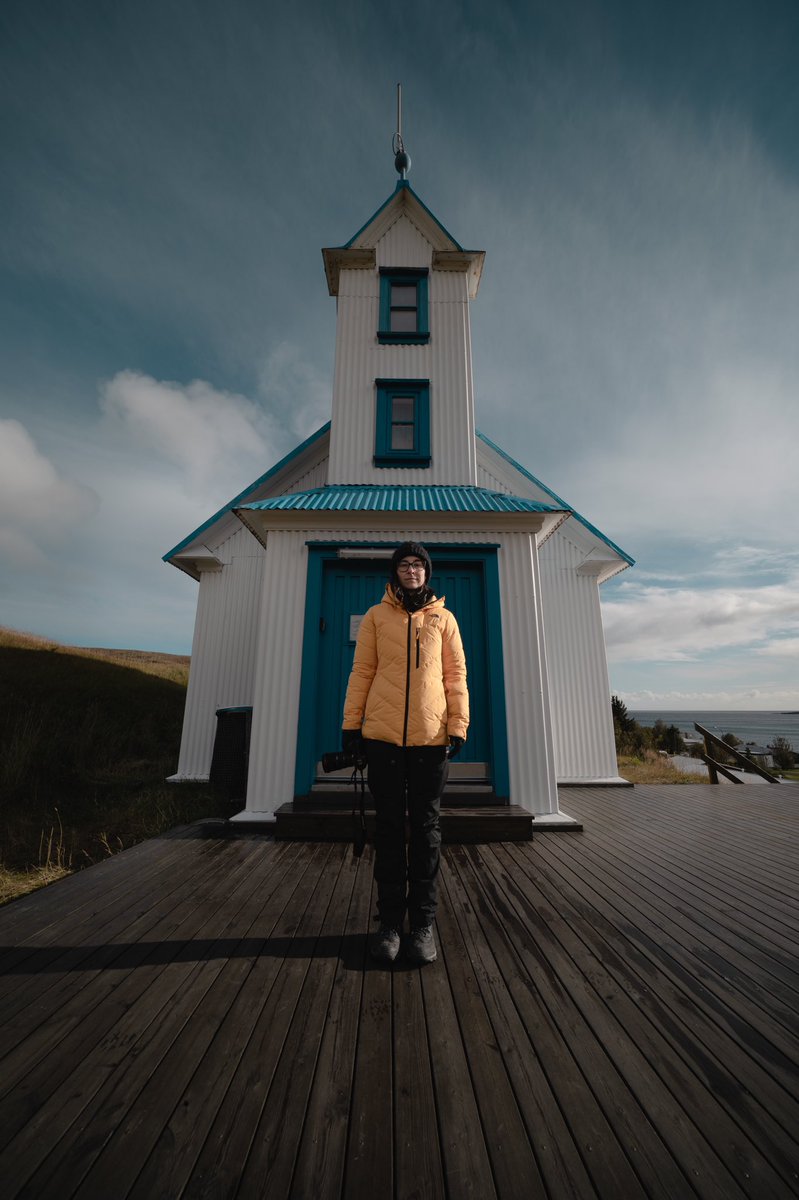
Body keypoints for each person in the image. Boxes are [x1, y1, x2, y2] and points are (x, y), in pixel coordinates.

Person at [341, 542, 469, 965]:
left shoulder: (444, 618)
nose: (411, 570)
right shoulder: (377, 617)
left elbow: (455, 674)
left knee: (428, 830)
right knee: (391, 830)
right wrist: (351, 724)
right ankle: (390, 923)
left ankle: (424, 924)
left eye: (417, 564)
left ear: (426, 572)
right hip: (383, 739)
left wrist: (458, 724)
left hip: (431, 739)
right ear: (394, 572)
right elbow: (362, 671)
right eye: (404, 564)